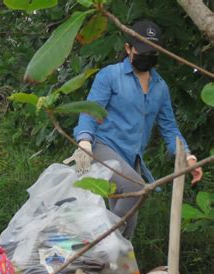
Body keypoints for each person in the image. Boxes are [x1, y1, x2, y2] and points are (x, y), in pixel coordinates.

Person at [65, 20, 203, 239]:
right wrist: (84, 141)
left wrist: (187, 156)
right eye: (143, 50)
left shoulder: (160, 87)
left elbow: (169, 128)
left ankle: (115, 262)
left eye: (153, 52)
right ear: (128, 49)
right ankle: (96, 245)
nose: (148, 56)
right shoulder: (109, 76)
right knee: (136, 188)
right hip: (103, 147)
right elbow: (91, 110)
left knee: (129, 219)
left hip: (132, 158)